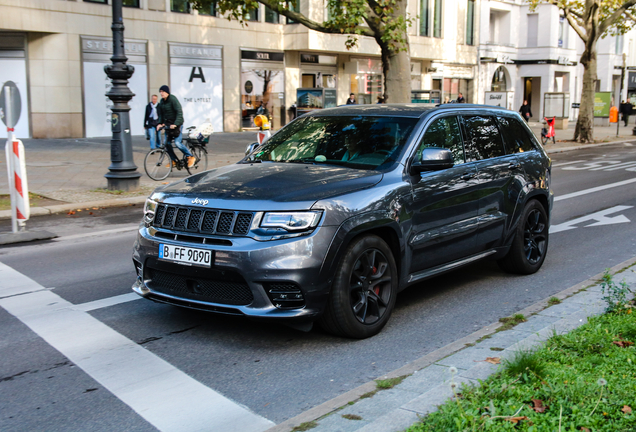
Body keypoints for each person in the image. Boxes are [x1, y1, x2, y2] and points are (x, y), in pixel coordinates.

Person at [156, 85, 195, 168]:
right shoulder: (162, 102)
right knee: (167, 143)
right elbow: (161, 114)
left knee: (177, 143)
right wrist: (160, 123)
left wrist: (176, 124)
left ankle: (190, 156)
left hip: (177, 125)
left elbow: (179, 112)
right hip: (169, 125)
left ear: (167, 92)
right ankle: (174, 160)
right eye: (160, 92)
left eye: (163, 91)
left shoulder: (173, 99)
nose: (161, 93)